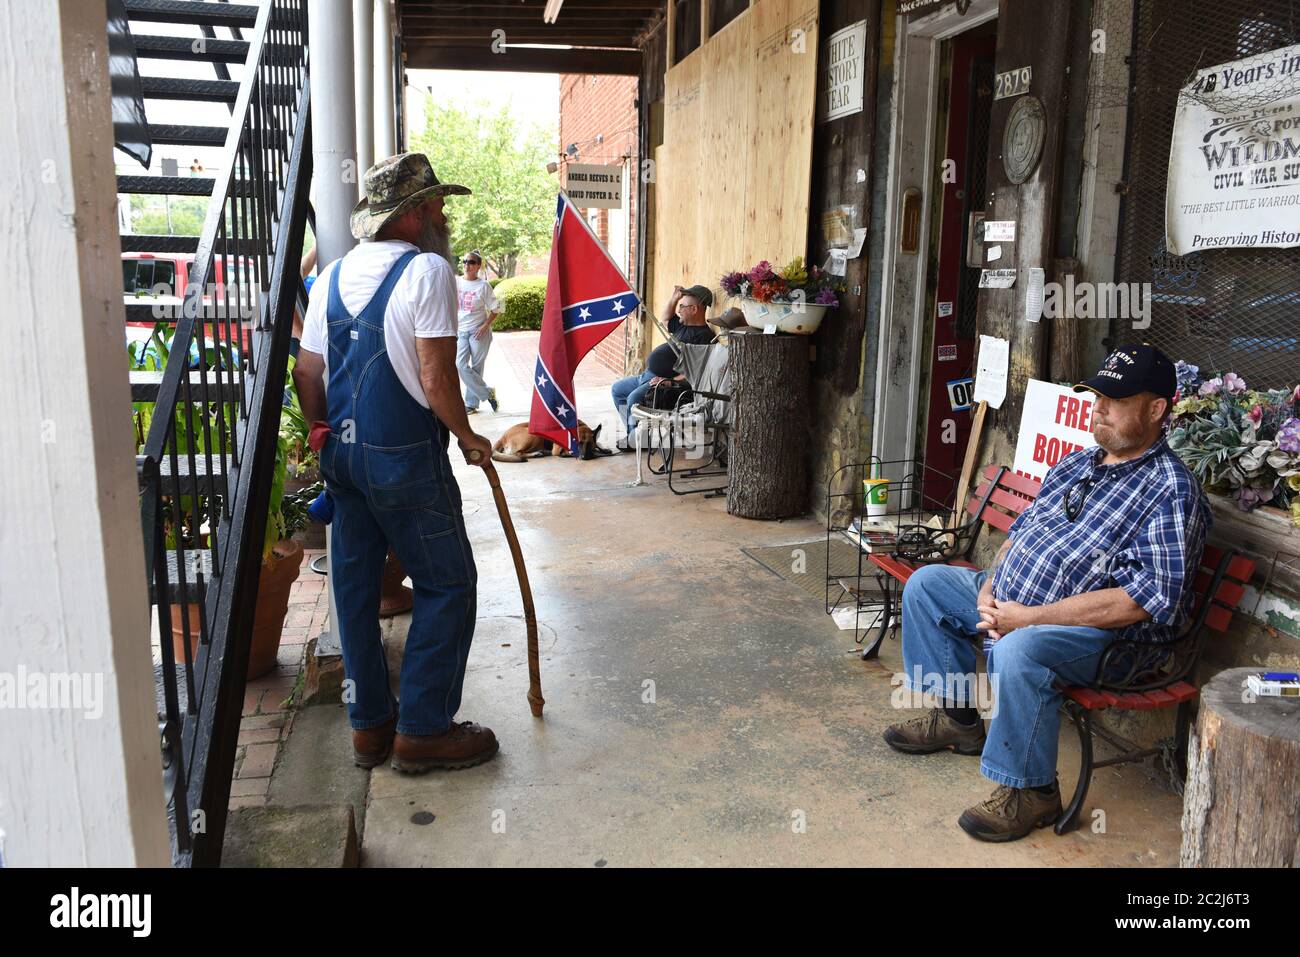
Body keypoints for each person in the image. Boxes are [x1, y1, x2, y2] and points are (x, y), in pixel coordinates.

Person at [881, 344, 1210, 842]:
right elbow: (1021, 533)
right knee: (929, 585)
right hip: (1014, 602)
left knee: (1019, 650)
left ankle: (1031, 792)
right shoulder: (1076, 464)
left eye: (1115, 399)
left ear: (1157, 409)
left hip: (1104, 639)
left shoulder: (1171, 490)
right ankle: (958, 717)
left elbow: (1141, 600)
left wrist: (1029, 619)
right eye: (1096, 396)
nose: (1098, 408)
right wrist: (992, 587)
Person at [292, 152, 499, 773]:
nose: (441, 213)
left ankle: (370, 728)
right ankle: (425, 730)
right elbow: (437, 377)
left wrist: (321, 430)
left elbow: (309, 371)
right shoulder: (428, 271)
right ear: (410, 215)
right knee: (448, 582)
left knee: (354, 593)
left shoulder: (330, 276)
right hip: (405, 457)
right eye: (434, 202)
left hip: (345, 458)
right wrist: (468, 437)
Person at [611, 283, 716, 447]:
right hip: (647, 375)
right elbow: (666, 318)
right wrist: (675, 297)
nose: (679, 309)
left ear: (694, 309)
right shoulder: (682, 325)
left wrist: (671, 381)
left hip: (660, 381)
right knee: (618, 389)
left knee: (633, 399)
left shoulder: (704, 337)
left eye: (682, 306)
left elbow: (697, 371)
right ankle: (634, 435)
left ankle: (636, 442)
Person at [455, 250, 501, 414]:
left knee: (476, 368)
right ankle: (488, 393)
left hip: (478, 332)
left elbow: (497, 309)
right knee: (460, 364)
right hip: (461, 331)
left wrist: (485, 326)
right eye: (465, 261)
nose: (467, 265)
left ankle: (471, 404)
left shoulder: (483, 286)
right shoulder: (456, 282)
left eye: (472, 262)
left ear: (478, 266)